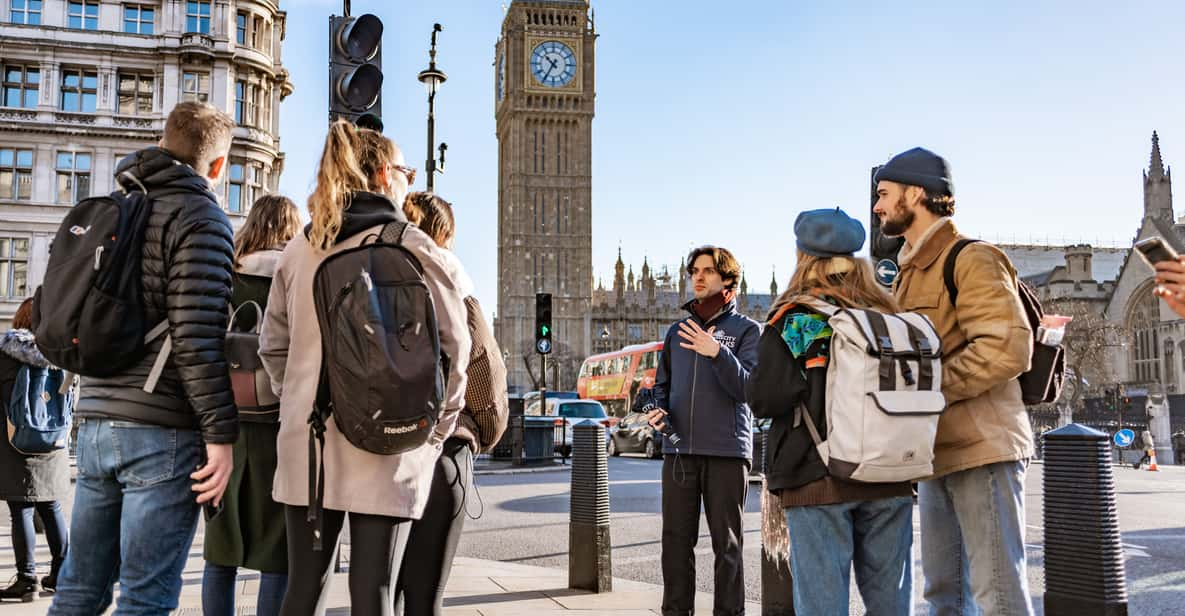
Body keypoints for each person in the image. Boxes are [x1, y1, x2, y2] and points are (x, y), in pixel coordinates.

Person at [258, 122, 471, 615]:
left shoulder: (300, 247)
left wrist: (296, 402)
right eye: (403, 169)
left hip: (307, 448)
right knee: (372, 593)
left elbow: (272, 347)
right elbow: (457, 347)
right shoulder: (411, 243)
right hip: (389, 442)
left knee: (303, 591)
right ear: (381, 176)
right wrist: (436, 431)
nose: (407, 179)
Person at [49, 102, 239, 615]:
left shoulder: (117, 203)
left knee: (78, 590)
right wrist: (221, 439)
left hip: (94, 421)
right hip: (160, 430)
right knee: (145, 598)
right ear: (218, 166)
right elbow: (198, 337)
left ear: (162, 142)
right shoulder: (202, 218)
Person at [873, 147, 1035, 615]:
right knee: (943, 597)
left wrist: (929, 393)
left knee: (998, 596)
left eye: (884, 194)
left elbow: (1007, 347)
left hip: (982, 449)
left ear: (917, 194)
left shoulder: (972, 258)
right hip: (935, 454)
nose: (878, 206)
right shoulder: (906, 272)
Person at [747, 209, 915, 614]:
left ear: (803, 257)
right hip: (890, 476)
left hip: (819, 478)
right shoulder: (889, 315)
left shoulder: (795, 319)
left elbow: (764, 397)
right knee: (890, 606)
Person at [393, 191, 509, 615]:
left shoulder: (374, 277)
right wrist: (484, 431)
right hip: (443, 451)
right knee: (426, 600)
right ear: (444, 235)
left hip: (382, 454)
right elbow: (484, 371)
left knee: (384, 593)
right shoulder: (457, 290)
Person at [645, 245, 760, 616]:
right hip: (679, 451)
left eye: (707, 271)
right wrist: (656, 408)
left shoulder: (748, 331)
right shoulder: (677, 331)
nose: (697, 276)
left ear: (728, 279)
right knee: (675, 544)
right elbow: (661, 385)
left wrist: (717, 352)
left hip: (726, 452)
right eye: (694, 270)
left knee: (726, 547)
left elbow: (749, 389)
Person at [201, 195, 301, 616]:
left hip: (224, 425)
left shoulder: (224, 276)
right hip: (280, 424)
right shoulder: (295, 275)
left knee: (220, 548)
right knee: (276, 548)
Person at [0, 298, 70, 602]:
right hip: (54, 439)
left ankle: (28, 580)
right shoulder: (62, 354)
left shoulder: (6, 353)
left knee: (21, 509)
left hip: (16, 440)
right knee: (51, 506)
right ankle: (62, 573)